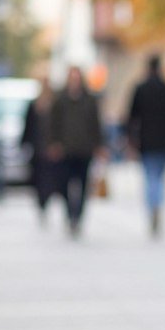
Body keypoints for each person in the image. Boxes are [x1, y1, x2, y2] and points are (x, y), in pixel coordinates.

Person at [127, 54, 165, 236]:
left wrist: (131, 139)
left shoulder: (141, 88)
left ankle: (152, 206)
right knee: (159, 176)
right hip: (163, 141)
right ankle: (157, 204)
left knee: (149, 176)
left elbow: (132, 116)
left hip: (146, 140)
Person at [47, 67, 104, 237]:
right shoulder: (60, 99)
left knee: (83, 185)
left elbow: (96, 124)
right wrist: (54, 143)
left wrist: (99, 145)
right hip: (65, 150)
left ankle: (78, 216)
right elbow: (53, 124)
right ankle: (69, 214)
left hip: (84, 149)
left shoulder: (90, 100)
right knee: (64, 184)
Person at [21, 77, 59, 224]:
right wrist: (24, 143)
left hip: (51, 149)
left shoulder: (55, 104)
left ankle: (46, 200)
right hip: (37, 148)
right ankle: (41, 202)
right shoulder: (34, 104)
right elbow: (27, 125)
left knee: (49, 179)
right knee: (37, 178)